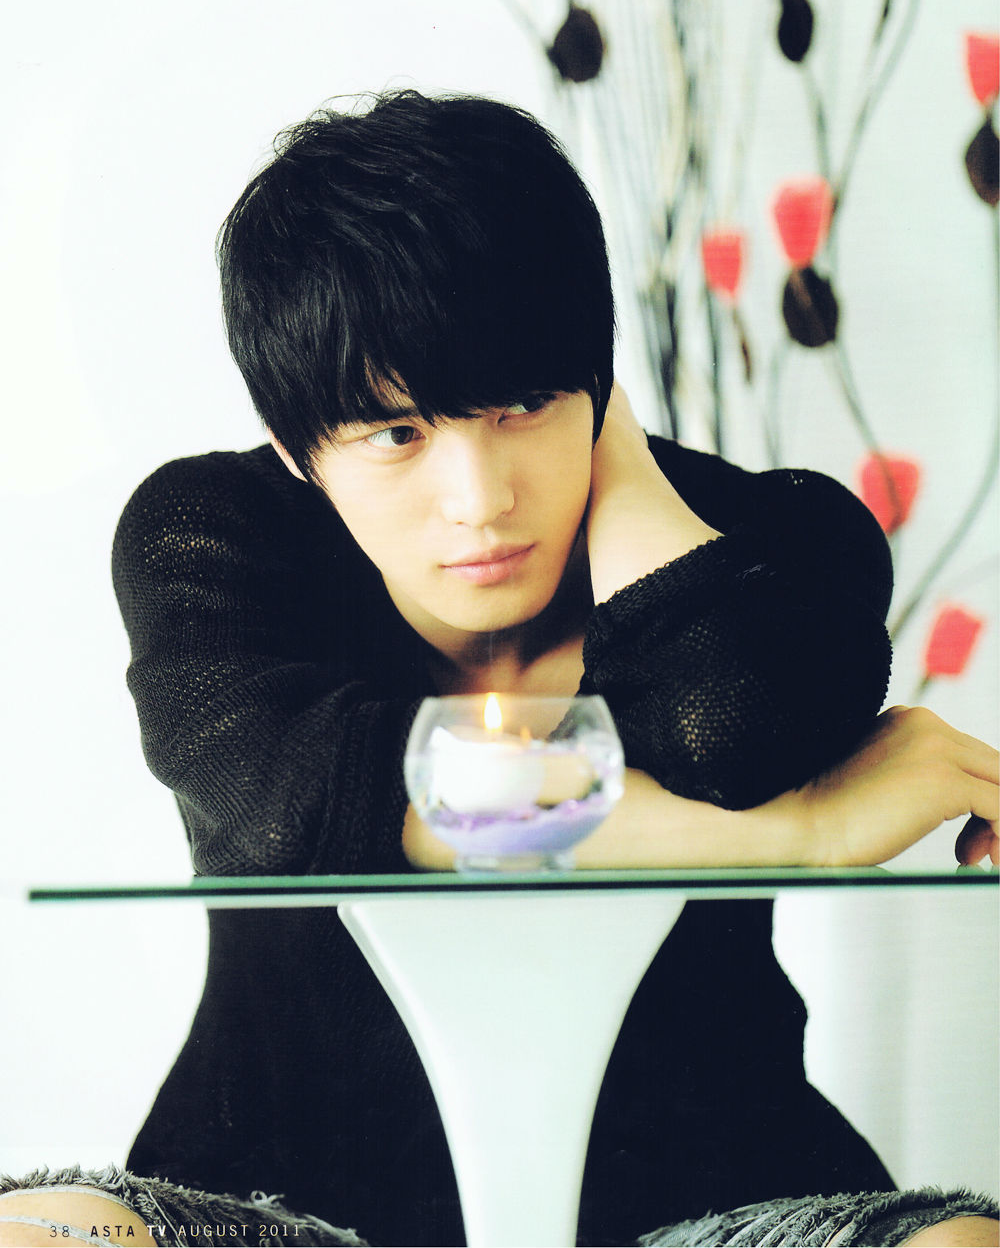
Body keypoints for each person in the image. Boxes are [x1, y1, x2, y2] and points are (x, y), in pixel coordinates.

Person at [4, 92, 996, 1248]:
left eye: (524, 403)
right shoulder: (216, 536)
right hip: (280, 1198)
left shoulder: (776, 540)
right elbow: (299, 806)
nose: (480, 501)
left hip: (713, 1200)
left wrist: (623, 467)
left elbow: (724, 728)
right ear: (292, 445)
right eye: (397, 433)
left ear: (595, 381)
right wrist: (804, 831)